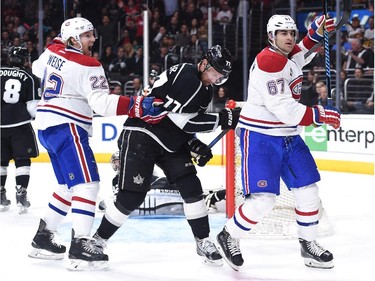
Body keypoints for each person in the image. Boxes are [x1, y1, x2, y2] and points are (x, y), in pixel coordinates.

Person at [27, 17, 167, 271]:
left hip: (46, 126)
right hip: (68, 126)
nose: (93, 39)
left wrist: (60, 45)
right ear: (73, 39)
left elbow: (37, 68)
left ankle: (43, 236)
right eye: (87, 35)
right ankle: (81, 245)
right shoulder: (88, 64)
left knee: (69, 187)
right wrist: (136, 106)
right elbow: (101, 103)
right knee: (88, 185)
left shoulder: (51, 51)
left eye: (92, 34)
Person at [92, 45, 240, 268]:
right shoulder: (188, 76)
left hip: (168, 139)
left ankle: (203, 240)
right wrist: (221, 120)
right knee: (131, 196)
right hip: (143, 133)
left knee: (191, 187)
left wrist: (193, 143)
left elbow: (182, 124)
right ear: (204, 63)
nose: (217, 78)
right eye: (215, 71)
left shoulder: (205, 88)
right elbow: (183, 121)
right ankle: (97, 241)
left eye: (221, 75)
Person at [215, 14, 341, 271]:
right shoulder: (269, 60)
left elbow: (301, 51)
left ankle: (308, 244)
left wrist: (316, 33)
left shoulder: (285, 53)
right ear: (271, 36)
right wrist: (321, 114)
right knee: (263, 200)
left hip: (288, 136)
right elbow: (285, 109)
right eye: (283, 33)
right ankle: (229, 235)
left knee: (308, 191)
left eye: (291, 33)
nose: (289, 38)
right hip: (261, 138)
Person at [99, 151, 226, 215]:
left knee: (180, 186)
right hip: (155, 191)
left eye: (119, 162)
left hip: (159, 187)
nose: (117, 165)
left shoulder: (140, 171)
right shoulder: (117, 179)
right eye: (116, 162)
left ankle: (210, 196)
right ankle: (209, 197)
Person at [0, 46, 40, 214]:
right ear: (25, 60)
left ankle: (1, 193)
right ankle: (21, 193)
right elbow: (33, 108)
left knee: (1, 161)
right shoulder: (31, 78)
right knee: (22, 159)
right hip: (20, 125)